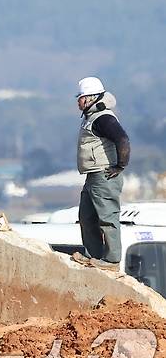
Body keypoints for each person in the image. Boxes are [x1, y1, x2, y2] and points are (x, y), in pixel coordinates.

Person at [73, 77, 130, 270]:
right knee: (87, 216)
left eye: (80, 97)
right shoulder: (91, 117)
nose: (78, 101)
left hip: (104, 175)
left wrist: (120, 166)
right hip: (92, 175)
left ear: (91, 98)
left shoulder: (104, 118)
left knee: (107, 216)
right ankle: (94, 256)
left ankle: (112, 260)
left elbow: (122, 139)